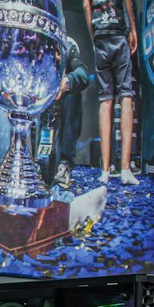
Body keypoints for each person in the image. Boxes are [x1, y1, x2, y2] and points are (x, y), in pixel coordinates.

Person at [80, 0, 139, 186]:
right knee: (125, 95)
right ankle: (125, 169)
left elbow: (85, 5)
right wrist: (132, 26)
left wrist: (94, 36)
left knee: (105, 100)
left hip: (101, 36)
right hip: (117, 32)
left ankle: (104, 171)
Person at [47, 32, 93, 190]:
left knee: (73, 93)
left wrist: (65, 83)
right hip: (40, 107)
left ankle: (64, 165)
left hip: (62, 114)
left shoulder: (68, 44)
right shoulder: (35, 42)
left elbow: (83, 74)